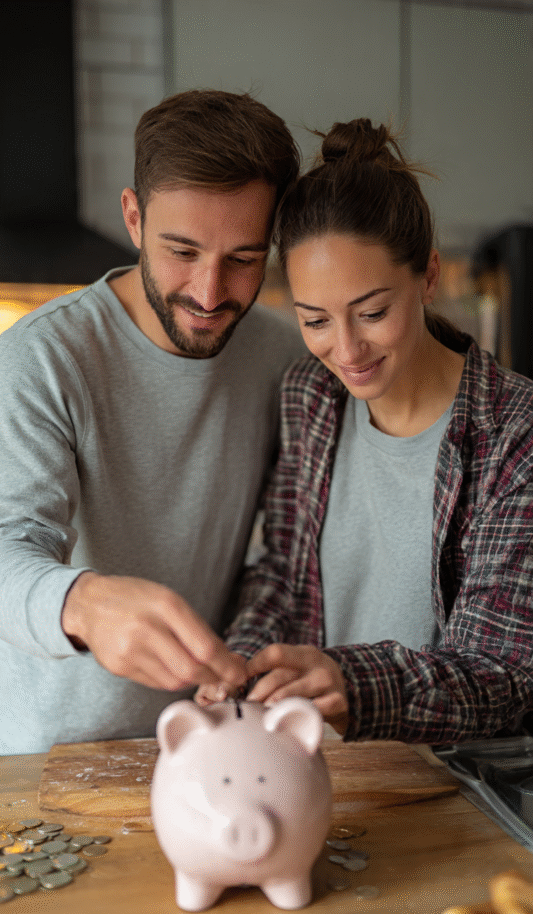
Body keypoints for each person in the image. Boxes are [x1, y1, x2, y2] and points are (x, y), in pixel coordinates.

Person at [0, 89, 302, 754]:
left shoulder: (283, 355)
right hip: (52, 759)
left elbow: (281, 549)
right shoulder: (44, 356)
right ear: (134, 218)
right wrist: (83, 604)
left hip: (210, 742)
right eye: (182, 250)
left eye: (243, 258)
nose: (209, 293)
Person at [197, 118, 533, 746]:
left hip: (460, 793)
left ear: (428, 276)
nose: (346, 349)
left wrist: (352, 686)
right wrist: (242, 668)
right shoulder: (309, 397)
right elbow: (283, 578)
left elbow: (504, 674)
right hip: (320, 768)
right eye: (315, 319)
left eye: (373, 312)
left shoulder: (513, 434)